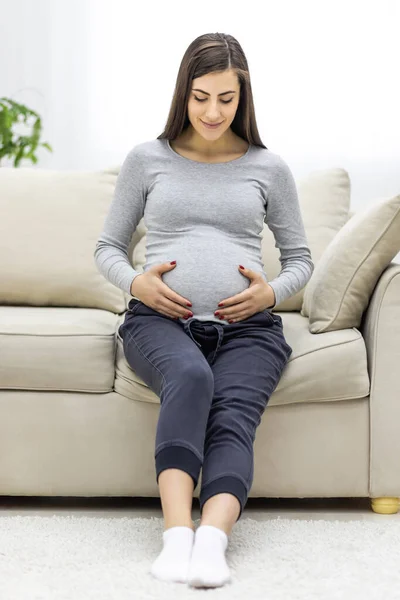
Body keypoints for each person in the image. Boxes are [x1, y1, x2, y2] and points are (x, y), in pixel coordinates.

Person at [94, 32, 314, 589]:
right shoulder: (147, 159)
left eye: (226, 98)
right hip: (158, 322)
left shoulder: (269, 167)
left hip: (249, 329)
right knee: (190, 376)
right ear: (182, 94)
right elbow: (106, 249)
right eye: (200, 97)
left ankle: (213, 541)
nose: (213, 111)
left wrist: (272, 294)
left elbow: (300, 260)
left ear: (243, 98)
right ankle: (177, 537)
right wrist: (138, 285)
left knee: (234, 409)